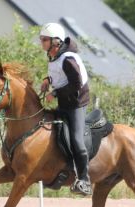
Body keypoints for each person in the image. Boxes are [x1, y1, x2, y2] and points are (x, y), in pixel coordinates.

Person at [39, 22, 92, 196]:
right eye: (41, 39)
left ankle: (84, 180)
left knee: (77, 140)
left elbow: (76, 83)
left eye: (44, 39)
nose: (42, 42)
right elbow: (59, 75)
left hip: (76, 103)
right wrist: (48, 80)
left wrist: (54, 94)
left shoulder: (68, 59)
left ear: (56, 41)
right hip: (65, 102)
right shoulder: (54, 56)